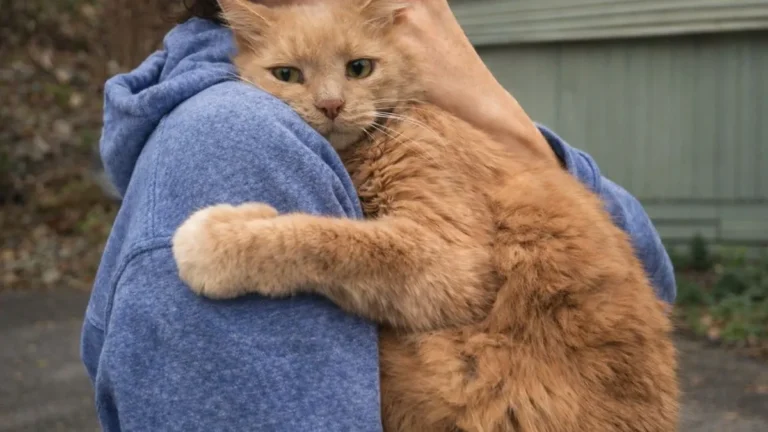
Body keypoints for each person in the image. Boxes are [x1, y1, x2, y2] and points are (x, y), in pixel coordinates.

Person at [81, 0, 676, 430]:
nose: (332, 102)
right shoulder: (233, 136)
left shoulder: (413, 124)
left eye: (360, 68)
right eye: (288, 76)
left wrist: (492, 109)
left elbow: (653, 270)